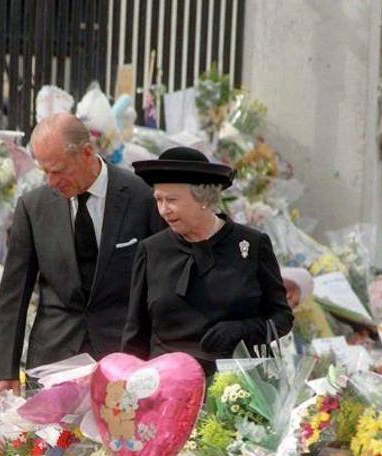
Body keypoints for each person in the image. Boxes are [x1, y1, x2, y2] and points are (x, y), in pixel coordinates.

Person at [0, 113, 164, 393]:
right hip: (54, 357)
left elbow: (159, 285)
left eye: (58, 170)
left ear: (87, 153)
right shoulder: (33, 207)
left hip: (122, 357)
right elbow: (13, 293)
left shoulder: (141, 197)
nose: (50, 181)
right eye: (44, 171)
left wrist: (158, 359)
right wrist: (5, 370)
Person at [122, 147, 294, 377]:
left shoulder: (252, 245)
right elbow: (136, 334)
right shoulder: (151, 250)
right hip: (167, 388)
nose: (163, 210)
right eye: (158, 200)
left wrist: (241, 330)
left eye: (171, 200)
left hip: (237, 388)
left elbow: (282, 319)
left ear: (203, 198)